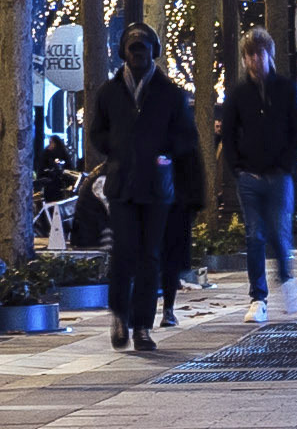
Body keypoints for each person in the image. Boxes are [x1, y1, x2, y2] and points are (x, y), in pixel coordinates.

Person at [89, 25, 208, 351]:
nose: (138, 55)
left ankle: (142, 326)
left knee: (149, 257)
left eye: (143, 49)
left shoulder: (169, 93)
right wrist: (116, 149)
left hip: (157, 188)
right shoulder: (109, 92)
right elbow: (96, 132)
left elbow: (187, 136)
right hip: (123, 186)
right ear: (123, 53)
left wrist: (163, 152)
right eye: (132, 49)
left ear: (152, 51)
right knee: (124, 254)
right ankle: (119, 316)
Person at [219, 29, 297, 319]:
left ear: (269, 54)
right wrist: (237, 167)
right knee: (255, 235)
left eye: (259, 54)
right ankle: (258, 298)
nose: (255, 60)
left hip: (279, 175)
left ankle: (286, 276)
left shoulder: (286, 89)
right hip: (250, 177)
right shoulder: (239, 95)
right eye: (249, 55)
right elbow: (229, 134)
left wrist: (286, 163)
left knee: (279, 233)